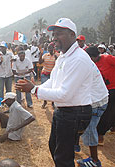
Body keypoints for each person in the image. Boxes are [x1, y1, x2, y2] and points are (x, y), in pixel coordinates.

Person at [16, 18, 93, 167]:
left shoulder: (78, 59)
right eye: (54, 34)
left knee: (63, 157)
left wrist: (33, 89)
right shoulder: (63, 57)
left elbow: (64, 94)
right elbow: (53, 82)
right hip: (64, 110)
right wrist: (35, 87)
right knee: (55, 147)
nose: (55, 38)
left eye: (59, 34)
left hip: (75, 112)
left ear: (72, 35)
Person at [75, 46, 109, 167]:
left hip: (96, 102)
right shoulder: (87, 63)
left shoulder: (85, 65)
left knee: (89, 130)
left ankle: (95, 161)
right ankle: (77, 145)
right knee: (84, 126)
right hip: (99, 99)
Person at [88, 47, 115, 145]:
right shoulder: (92, 64)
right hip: (102, 90)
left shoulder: (107, 58)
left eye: (91, 58)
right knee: (104, 112)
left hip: (113, 89)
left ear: (95, 56)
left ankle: (101, 134)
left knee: (108, 112)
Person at [38, 42, 57, 109]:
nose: (50, 49)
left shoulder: (57, 55)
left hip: (53, 75)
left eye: (51, 48)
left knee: (53, 88)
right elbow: (40, 62)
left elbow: (58, 65)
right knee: (44, 88)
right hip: (45, 73)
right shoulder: (45, 55)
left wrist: (56, 58)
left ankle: (53, 103)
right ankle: (45, 101)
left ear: (53, 48)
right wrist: (41, 54)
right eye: (49, 48)